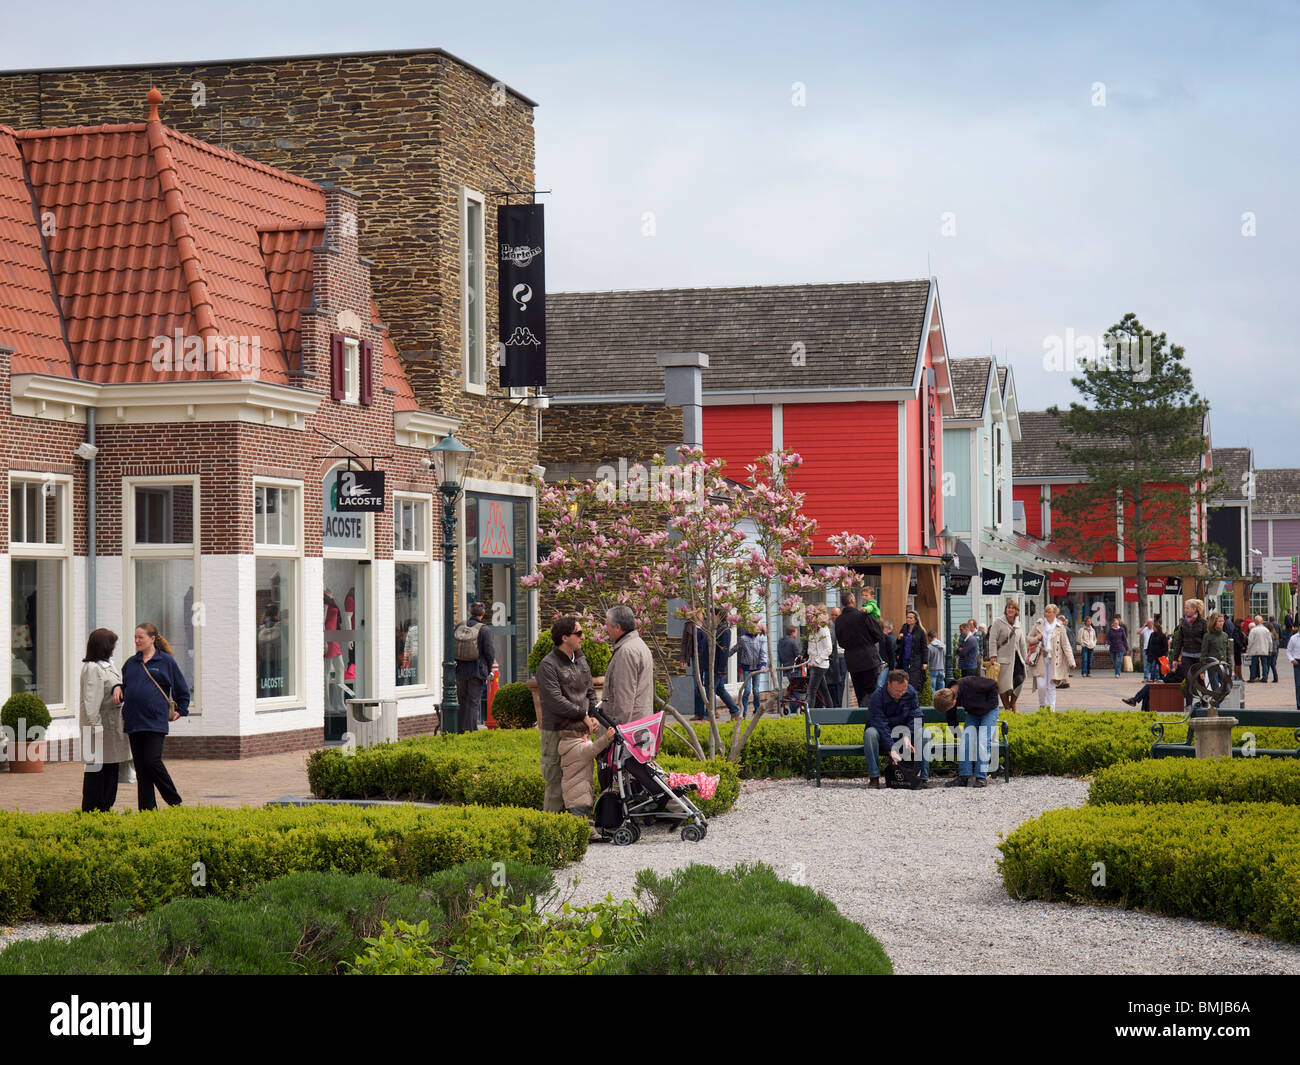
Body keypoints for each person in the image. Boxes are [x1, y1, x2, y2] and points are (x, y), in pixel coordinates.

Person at [121, 622, 190, 811]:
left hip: (154, 720)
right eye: (135, 637)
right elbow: (124, 686)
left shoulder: (166, 662)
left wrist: (181, 710)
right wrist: (116, 688)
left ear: (152, 639)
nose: (136, 641)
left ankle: (175, 801)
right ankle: (147, 810)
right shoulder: (131, 663)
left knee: (152, 761)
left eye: (140, 637)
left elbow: (182, 689)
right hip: (134, 721)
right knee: (142, 769)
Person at [536, 616, 598, 813]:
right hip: (556, 731)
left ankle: (580, 827)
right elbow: (555, 701)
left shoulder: (581, 659)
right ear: (564, 637)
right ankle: (551, 827)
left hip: (579, 732)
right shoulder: (548, 665)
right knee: (555, 781)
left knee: (581, 780)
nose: (583, 637)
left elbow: (589, 690)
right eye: (578, 633)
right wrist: (583, 715)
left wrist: (594, 713)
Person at [79, 628, 130, 813]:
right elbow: (91, 703)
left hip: (111, 730)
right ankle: (93, 812)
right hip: (100, 731)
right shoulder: (93, 668)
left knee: (110, 773)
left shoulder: (108, 665)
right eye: (112, 645)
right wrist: (96, 729)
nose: (114, 649)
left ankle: (104, 810)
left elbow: (112, 686)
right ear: (104, 646)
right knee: (96, 775)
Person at [863, 669, 929, 789]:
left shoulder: (911, 692)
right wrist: (891, 748)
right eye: (898, 690)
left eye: (904, 690)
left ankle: (923, 778)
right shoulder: (877, 697)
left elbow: (917, 716)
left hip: (903, 734)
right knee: (870, 734)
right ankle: (874, 778)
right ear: (888, 684)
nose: (901, 693)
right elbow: (880, 724)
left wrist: (907, 736)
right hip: (883, 736)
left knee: (925, 733)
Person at [933, 674, 1001, 787]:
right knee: (966, 741)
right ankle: (964, 776)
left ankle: (981, 776)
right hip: (974, 712)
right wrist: (956, 733)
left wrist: (988, 705)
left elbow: (993, 685)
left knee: (983, 741)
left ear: (954, 702)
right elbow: (951, 715)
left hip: (989, 709)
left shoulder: (971, 684)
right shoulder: (948, 695)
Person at [603, 604, 654, 725]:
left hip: (629, 730)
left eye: (607, 625)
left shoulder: (626, 652)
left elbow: (624, 699)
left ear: (617, 627)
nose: (606, 628)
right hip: (640, 724)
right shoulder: (639, 645)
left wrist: (617, 730)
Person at [558, 719, 615, 823]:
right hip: (579, 793)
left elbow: (588, 744)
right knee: (582, 820)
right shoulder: (580, 749)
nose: (588, 736)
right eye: (586, 734)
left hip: (573, 792)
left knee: (582, 817)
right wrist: (606, 738)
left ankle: (589, 834)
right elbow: (593, 748)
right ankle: (589, 835)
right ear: (580, 734)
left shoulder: (568, 745)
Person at [835, 592, 885, 706]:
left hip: (852, 662)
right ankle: (871, 718)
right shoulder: (863, 615)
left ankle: (862, 715)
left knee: (860, 693)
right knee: (871, 691)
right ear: (852, 601)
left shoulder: (839, 620)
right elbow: (879, 634)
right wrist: (868, 642)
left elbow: (841, 642)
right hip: (869, 659)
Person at [453, 601, 495, 732]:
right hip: (476, 671)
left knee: (462, 701)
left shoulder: (459, 626)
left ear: (470, 612)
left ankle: (459, 730)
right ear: (483, 613)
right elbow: (489, 652)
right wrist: (487, 669)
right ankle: (471, 731)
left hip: (460, 670)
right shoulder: (484, 629)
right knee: (473, 702)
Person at [1027, 603, 1075, 712]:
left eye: (1049, 612)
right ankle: (1042, 704)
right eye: (1046, 611)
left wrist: (1071, 661)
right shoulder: (1039, 624)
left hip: (1055, 660)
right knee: (1041, 684)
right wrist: (1037, 638)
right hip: (1040, 659)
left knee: (1051, 686)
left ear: (1054, 613)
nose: (1046, 614)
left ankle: (1051, 709)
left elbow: (1065, 644)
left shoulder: (1060, 627)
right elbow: (1029, 638)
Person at [989, 598, 1028, 713]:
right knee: (1004, 685)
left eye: (1013, 608)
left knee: (1020, 680)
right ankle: (1007, 708)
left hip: (1017, 658)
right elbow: (992, 640)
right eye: (1008, 607)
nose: (1010, 609)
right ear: (1005, 610)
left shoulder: (1018, 624)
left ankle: (1013, 703)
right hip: (1003, 658)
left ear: (1017, 611)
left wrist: (1025, 658)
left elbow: (1022, 643)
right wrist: (993, 655)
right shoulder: (998, 622)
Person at [1169, 599, 1208, 708]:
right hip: (1187, 655)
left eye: (1187, 608)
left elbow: (1205, 642)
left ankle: (1205, 703)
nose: (1185, 610)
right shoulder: (1183, 622)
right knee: (1189, 679)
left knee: (1200, 681)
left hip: (1199, 656)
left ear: (1194, 609)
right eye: (1185, 608)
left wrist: (1204, 659)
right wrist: (1175, 659)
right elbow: (1179, 641)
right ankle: (1189, 704)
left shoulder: (1203, 622)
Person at [709, 610, 744, 720]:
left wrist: (721, 668)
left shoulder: (724, 630)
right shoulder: (718, 629)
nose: (710, 617)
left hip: (717, 666)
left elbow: (724, 651)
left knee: (711, 689)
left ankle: (711, 714)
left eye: (712, 615)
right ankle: (735, 711)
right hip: (716, 666)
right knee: (720, 690)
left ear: (718, 616)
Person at [1121, 661, 1189, 711]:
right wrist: (1171, 672)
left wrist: (1171, 673)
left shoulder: (1181, 667)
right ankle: (1139, 705)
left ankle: (1136, 700)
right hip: (1167, 687)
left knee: (1148, 688)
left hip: (1169, 689)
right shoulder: (1177, 667)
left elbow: (1176, 680)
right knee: (1147, 692)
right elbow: (1168, 678)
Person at [735, 624, 767, 718]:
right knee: (747, 690)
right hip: (746, 668)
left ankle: (757, 710)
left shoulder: (761, 639)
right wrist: (726, 655)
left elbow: (763, 653)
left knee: (756, 690)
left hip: (757, 667)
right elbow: (735, 648)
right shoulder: (743, 639)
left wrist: (763, 664)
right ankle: (743, 712)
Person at [805, 606, 833, 709]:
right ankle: (831, 712)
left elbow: (828, 649)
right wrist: (809, 661)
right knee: (824, 691)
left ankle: (809, 716)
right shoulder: (813, 630)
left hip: (819, 665)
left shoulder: (823, 630)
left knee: (811, 691)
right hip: (813, 663)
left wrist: (817, 661)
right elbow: (811, 648)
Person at [680, 612, 706, 720]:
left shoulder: (707, 625)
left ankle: (710, 711)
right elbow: (684, 643)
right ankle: (698, 713)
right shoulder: (689, 626)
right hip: (696, 657)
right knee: (697, 685)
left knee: (709, 685)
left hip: (707, 658)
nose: (700, 615)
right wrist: (683, 659)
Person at [896, 610, 928, 692]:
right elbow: (899, 643)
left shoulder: (920, 631)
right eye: (907, 617)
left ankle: (912, 701)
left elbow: (924, 648)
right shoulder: (904, 628)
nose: (908, 619)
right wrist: (899, 638)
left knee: (913, 683)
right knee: (904, 682)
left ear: (915, 620)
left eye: (910, 618)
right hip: (904, 660)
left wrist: (925, 662)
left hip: (915, 660)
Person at [827, 607, 845, 708]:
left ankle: (838, 705)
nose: (834, 617)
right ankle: (834, 705)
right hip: (833, 657)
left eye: (836, 615)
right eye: (832, 615)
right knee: (834, 682)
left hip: (842, 656)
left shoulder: (843, 625)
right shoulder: (829, 626)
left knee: (841, 682)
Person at [1247, 615, 1273, 683]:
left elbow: (1250, 641)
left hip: (1255, 650)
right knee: (1264, 664)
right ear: (1261, 621)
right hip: (1264, 650)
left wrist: (1248, 649)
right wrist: (1270, 650)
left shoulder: (1253, 630)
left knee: (1254, 665)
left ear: (1255, 622)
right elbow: (1270, 641)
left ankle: (1252, 677)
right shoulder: (1266, 630)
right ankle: (1265, 677)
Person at [877, 620, 898, 690]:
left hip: (884, 665)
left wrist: (891, 669)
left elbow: (891, 654)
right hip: (874, 665)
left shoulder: (886, 638)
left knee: (880, 684)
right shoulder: (871, 638)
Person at [926, 629, 946, 694]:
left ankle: (934, 702)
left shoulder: (929, 647)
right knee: (941, 688)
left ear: (929, 637)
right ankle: (943, 701)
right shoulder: (944, 646)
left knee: (932, 687)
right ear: (936, 636)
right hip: (942, 668)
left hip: (933, 669)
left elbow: (927, 659)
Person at [1288, 627, 1300, 710]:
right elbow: (1288, 650)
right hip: (1297, 662)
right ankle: (1299, 704)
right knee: (1298, 684)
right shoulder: (1293, 638)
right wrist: (1291, 659)